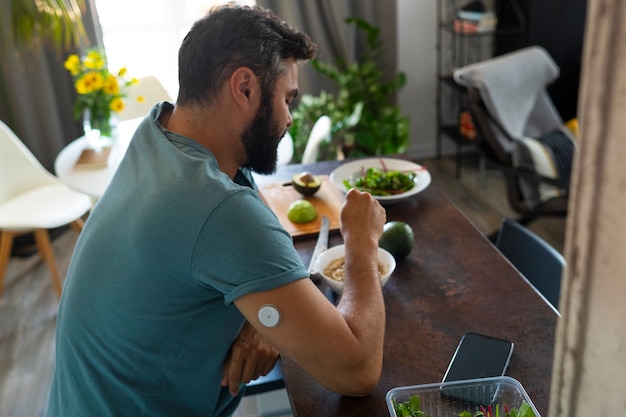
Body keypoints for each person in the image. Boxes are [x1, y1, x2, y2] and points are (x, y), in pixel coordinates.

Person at [47, 4, 386, 417]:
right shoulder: (217, 209)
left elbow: (246, 225)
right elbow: (358, 371)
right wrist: (363, 243)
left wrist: (261, 321)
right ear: (244, 87)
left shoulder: (160, 135)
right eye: (286, 98)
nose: (290, 119)